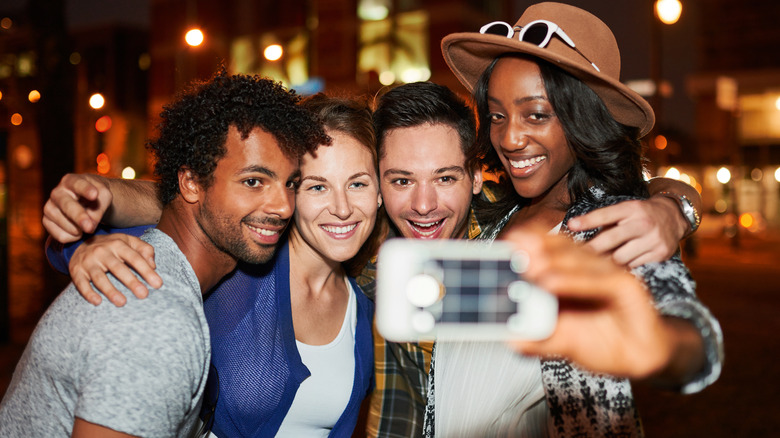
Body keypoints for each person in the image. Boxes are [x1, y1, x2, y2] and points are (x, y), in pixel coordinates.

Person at [43, 83, 705, 437]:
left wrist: (675, 204)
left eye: (445, 178)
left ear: (479, 177)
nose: (421, 204)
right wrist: (87, 227)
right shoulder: (342, 255)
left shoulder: (502, 245)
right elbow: (205, 211)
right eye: (395, 180)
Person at [421, 2, 724, 436]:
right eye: (497, 115)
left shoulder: (607, 227)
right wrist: (678, 201)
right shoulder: (489, 219)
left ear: (585, 116)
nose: (509, 137)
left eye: (536, 114)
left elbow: (695, 338)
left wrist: (658, 345)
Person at [0, 71, 326, 436]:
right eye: (253, 181)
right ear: (190, 183)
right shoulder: (154, 314)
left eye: (291, 184)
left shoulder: (159, 267)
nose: (283, 205)